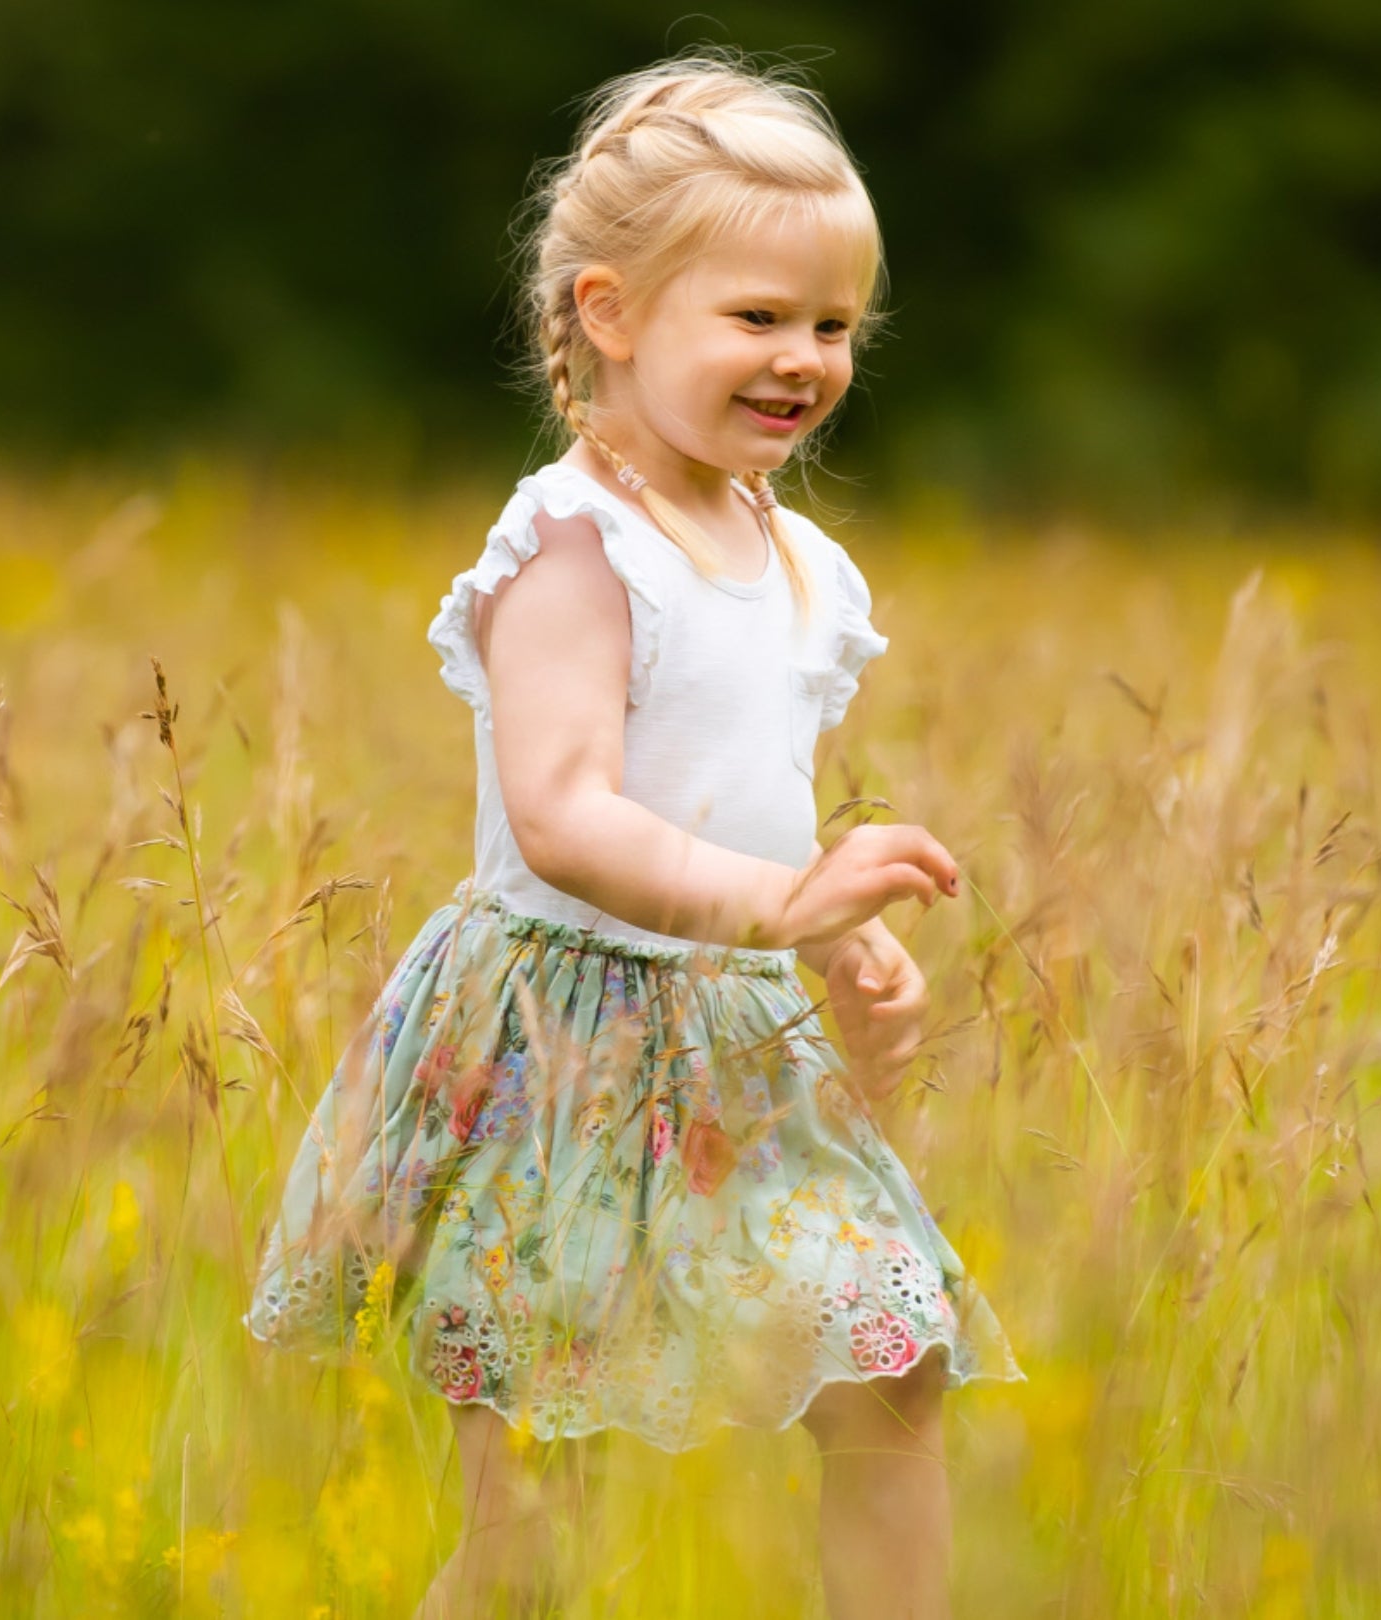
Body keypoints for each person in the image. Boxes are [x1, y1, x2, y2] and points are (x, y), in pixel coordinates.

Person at [243, 50, 1023, 1619]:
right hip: (562, 1044)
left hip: (737, 1034)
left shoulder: (802, 564)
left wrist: (844, 941)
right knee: (547, 1505)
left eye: (832, 326)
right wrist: (790, 899)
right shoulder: (575, 545)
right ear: (611, 314)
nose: (802, 358)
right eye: (758, 318)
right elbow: (569, 816)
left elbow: (745, 805)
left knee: (894, 1367)